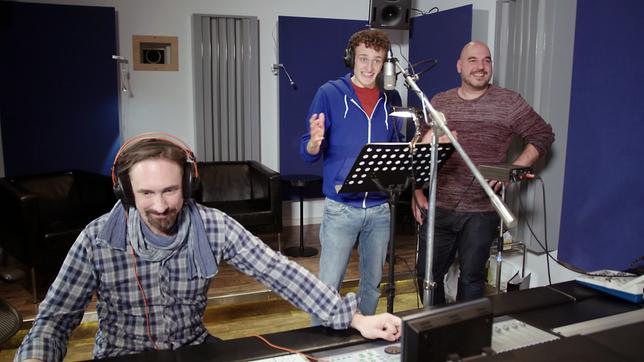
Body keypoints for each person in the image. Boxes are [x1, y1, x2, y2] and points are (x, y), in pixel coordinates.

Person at [14, 134, 401, 362]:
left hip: (195, 350)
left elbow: (279, 271)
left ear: (189, 185)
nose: (161, 205)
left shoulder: (211, 225)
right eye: (146, 193)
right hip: (121, 356)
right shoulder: (97, 238)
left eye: (170, 190)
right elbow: (53, 321)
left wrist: (353, 318)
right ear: (125, 192)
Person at [412, 41, 555, 305]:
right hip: (439, 206)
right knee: (426, 275)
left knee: (472, 278)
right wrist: (417, 190)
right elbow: (421, 148)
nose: (480, 67)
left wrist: (511, 168)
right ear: (459, 66)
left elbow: (543, 134)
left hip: (482, 210)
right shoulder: (440, 101)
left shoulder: (508, 102)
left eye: (486, 60)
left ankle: (466, 340)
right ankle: (436, 331)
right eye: (473, 60)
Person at [300, 29, 403, 318]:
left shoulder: (390, 99)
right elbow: (305, 150)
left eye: (377, 60)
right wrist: (313, 143)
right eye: (363, 59)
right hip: (341, 210)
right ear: (351, 59)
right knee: (328, 288)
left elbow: (396, 150)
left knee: (372, 285)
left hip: (380, 209)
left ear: (384, 63)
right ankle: (319, 346)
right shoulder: (329, 93)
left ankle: (363, 341)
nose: (369, 67)